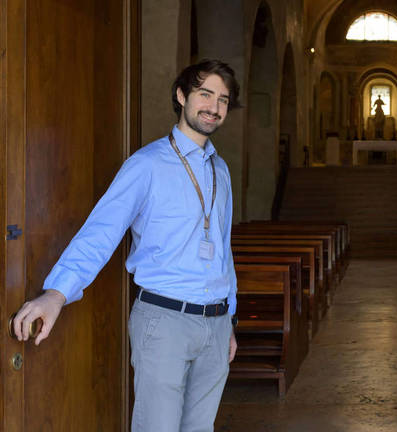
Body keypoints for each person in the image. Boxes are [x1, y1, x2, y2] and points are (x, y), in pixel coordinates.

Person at [12, 59, 242, 432]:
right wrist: (56, 294)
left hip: (215, 326)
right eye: (205, 94)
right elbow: (100, 232)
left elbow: (223, 248)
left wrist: (229, 317)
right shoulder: (146, 165)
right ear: (181, 96)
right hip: (164, 320)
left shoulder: (221, 171)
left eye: (223, 99)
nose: (214, 107)